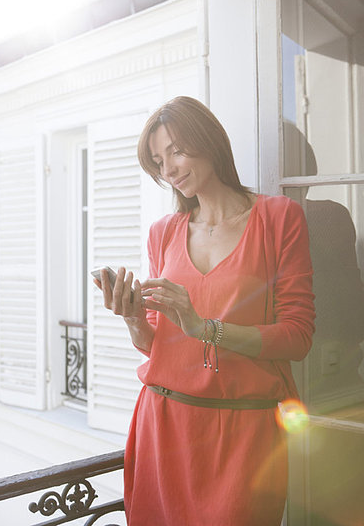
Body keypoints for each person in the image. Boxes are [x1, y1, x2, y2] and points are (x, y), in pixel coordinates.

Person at [95, 96, 315, 526]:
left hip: (244, 432)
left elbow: (297, 336)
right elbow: (156, 344)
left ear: (210, 142)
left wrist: (205, 328)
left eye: (176, 151)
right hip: (163, 424)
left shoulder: (279, 218)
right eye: (159, 161)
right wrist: (134, 319)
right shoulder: (163, 233)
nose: (169, 169)